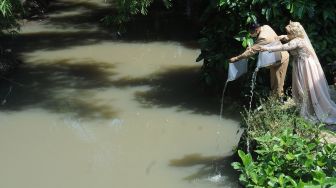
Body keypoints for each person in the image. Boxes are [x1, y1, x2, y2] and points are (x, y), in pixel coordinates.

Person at [260, 21, 336, 124]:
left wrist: (267, 48)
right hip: (302, 63)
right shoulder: (297, 38)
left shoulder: (297, 41)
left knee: (306, 85)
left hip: (304, 65)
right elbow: (287, 38)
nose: (287, 34)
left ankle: (311, 107)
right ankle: (308, 104)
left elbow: (283, 47)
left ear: (294, 33)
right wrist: (282, 36)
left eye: (288, 32)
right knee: (305, 85)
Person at [229, 23, 290, 98]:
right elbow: (260, 44)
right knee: (274, 82)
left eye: (251, 32)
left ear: (257, 30)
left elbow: (250, 52)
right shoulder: (266, 27)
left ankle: (279, 103)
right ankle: (274, 101)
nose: (251, 35)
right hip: (274, 59)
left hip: (281, 59)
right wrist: (252, 46)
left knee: (278, 83)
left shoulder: (263, 38)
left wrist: (236, 58)